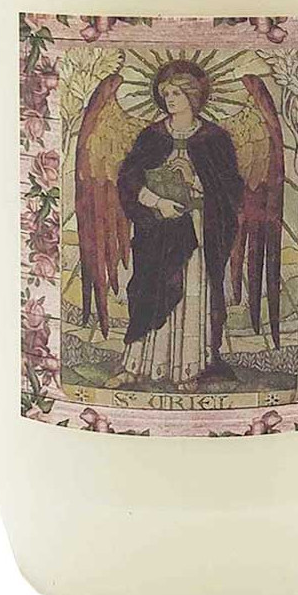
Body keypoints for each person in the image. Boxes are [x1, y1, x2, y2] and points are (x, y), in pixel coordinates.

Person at [108, 61, 244, 390]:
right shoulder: (152, 137)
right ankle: (137, 365)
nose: (170, 99)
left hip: (196, 230)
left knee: (191, 295)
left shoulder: (214, 139)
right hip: (157, 230)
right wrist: (157, 202)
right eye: (166, 93)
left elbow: (229, 190)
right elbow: (129, 180)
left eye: (177, 93)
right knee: (149, 290)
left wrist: (196, 182)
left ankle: (189, 369)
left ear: (193, 96)